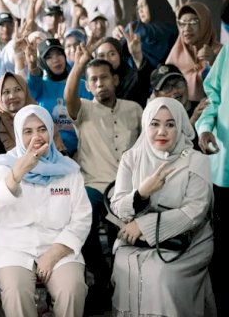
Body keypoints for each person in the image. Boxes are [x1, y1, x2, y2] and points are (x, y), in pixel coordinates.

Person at [0, 105, 91, 317]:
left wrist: (54, 253)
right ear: (18, 134)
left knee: (72, 289)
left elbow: (82, 217)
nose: (36, 136)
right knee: (16, 290)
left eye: (42, 129)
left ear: (51, 130)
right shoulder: (4, 165)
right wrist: (20, 170)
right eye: (28, 131)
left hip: (58, 245)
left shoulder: (68, 168)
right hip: (10, 246)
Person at [109, 97, 215, 316]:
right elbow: (118, 206)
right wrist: (142, 193)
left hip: (189, 243)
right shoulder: (132, 158)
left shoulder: (196, 161)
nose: (162, 132)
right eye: (154, 124)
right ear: (146, 125)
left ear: (181, 126)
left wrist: (143, 225)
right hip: (135, 243)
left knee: (162, 275)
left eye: (170, 124)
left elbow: (195, 212)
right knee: (126, 268)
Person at [64, 51, 143, 314]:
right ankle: (101, 277)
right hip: (94, 185)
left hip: (127, 187)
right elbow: (69, 98)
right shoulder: (83, 109)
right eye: (93, 80)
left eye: (104, 78)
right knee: (81, 218)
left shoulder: (134, 109)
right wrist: (77, 66)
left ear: (116, 80)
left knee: (121, 232)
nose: (99, 84)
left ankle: (120, 284)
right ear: (88, 85)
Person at [196, 44, 229, 315]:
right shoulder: (228, 51)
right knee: (222, 249)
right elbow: (213, 96)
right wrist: (205, 127)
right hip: (224, 165)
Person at [166, 1, 223, 105]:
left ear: (205, 23)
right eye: (182, 23)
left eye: (193, 22)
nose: (187, 28)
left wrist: (214, 63)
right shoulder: (176, 54)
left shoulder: (221, 52)